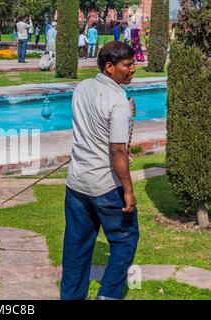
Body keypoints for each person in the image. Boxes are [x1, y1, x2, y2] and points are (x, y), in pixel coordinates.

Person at [61, 41, 139, 300]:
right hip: (105, 185)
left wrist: (127, 118)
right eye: (127, 65)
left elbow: (93, 128)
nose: (133, 69)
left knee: (76, 247)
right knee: (125, 240)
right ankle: (109, 294)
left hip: (77, 183)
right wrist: (128, 189)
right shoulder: (118, 101)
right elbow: (118, 150)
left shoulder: (82, 87)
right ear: (109, 67)